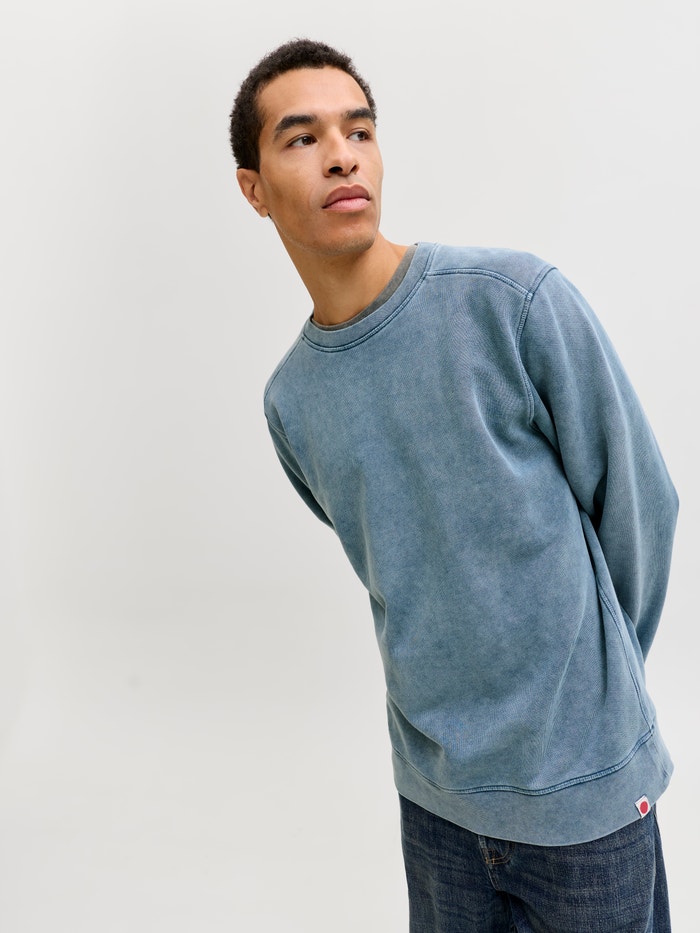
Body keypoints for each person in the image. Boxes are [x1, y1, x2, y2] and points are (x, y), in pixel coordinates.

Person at [230, 38, 678, 932]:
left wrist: (590, 709)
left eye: (359, 130)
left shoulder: (511, 300)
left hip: (583, 801)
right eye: (303, 138)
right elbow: (403, 571)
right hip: (435, 806)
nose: (342, 155)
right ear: (254, 188)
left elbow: (642, 506)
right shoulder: (292, 401)